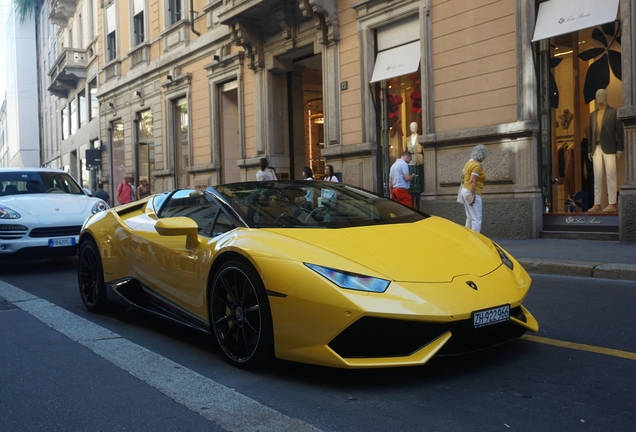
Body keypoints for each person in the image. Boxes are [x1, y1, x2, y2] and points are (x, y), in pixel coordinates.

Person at [587, 89, 624, 213]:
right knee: (597, 176)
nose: (599, 98)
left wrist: (620, 148)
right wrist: (589, 149)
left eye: (601, 95)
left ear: (606, 96)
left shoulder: (613, 112)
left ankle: (612, 203)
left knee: (611, 175)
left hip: (609, 147)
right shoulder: (592, 115)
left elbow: (619, 132)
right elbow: (590, 135)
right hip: (595, 148)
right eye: (597, 96)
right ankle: (597, 204)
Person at [460, 144, 488, 233]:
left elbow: (461, 176)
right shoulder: (477, 166)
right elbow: (472, 181)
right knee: (476, 218)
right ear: (482, 155)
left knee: (469, 217)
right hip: (471, 192)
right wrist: (473, 195)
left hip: (464, 190)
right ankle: (475, 240)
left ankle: (467, 237)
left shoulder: (468, 163)